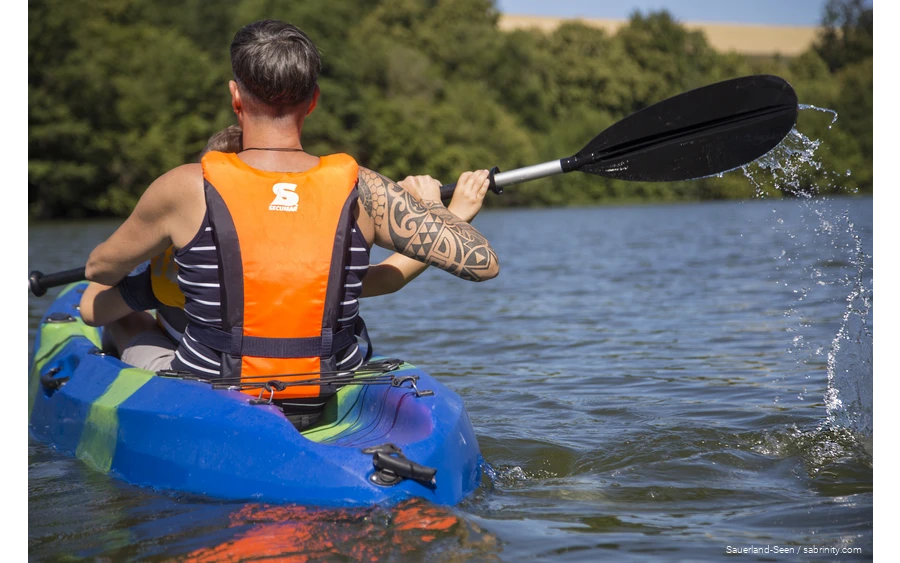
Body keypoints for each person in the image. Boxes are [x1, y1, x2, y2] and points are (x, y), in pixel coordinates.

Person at [79, 19, 499, 429]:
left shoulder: (184, 187)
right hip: (325, 391)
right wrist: (430, 208)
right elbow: (483, 263)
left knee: (118, 314)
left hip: (214, 396)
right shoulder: (365, 189)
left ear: (235, 97)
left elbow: (99, 269)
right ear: (313, 100)